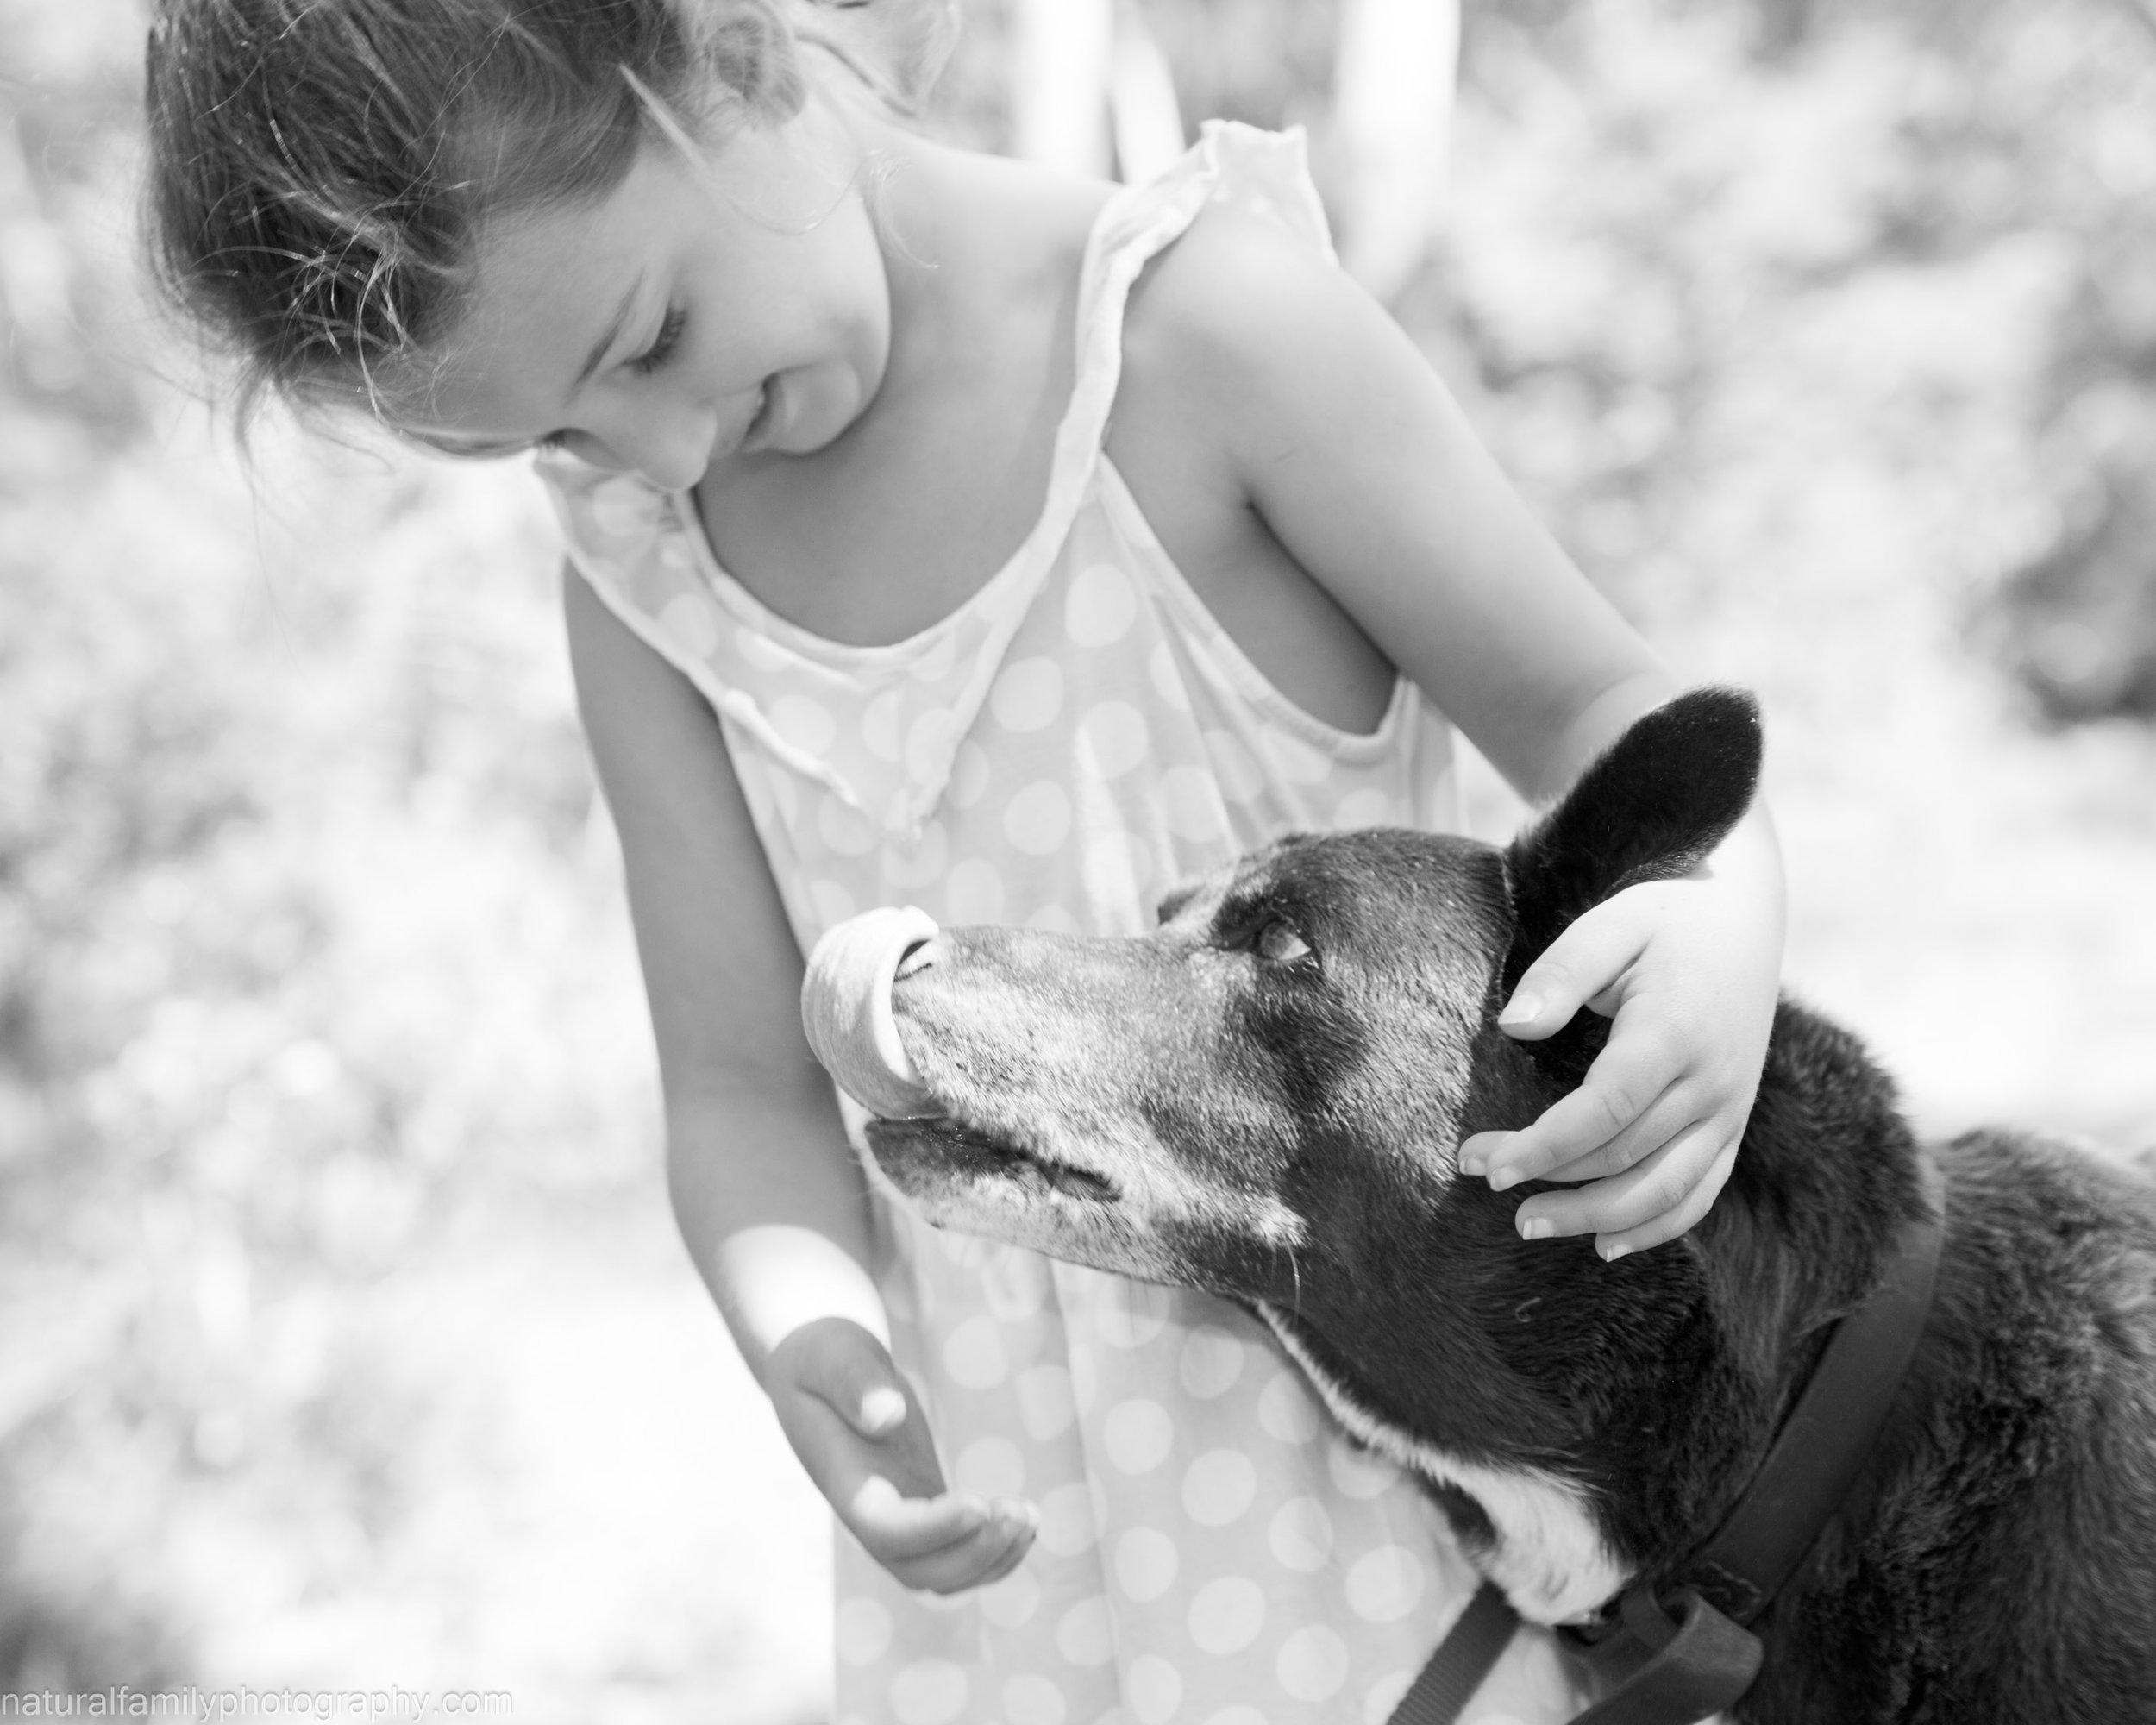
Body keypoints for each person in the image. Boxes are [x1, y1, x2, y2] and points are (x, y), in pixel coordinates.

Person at [142, 1, 1785, 1718]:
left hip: (1393, 1525)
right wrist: (808, 1336)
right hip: (1016, 1617)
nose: (658, 457)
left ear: (733, 54)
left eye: (648, 339)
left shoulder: (1203, 340)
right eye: (552, 439)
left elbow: (1602, 706)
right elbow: (737, 1088)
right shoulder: (644, 575)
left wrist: (1717, 916)